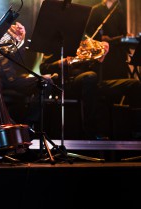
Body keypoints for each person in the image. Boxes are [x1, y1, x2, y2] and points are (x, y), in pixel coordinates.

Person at [0, 0, 52, 127]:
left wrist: (20, 40)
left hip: (12, 79)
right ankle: (2, 123)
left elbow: (19, 62)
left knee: (46, 80)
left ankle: (29, 125)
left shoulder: (7, 33)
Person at [84, 0, 141, 138]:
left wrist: (125, 36)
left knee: (128, 86)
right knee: (103, 89)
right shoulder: (96, 9)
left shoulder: (119, 9)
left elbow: (123, 32)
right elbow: (88, 32)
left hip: (117, 53)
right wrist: (100, 38)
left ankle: (131, 129)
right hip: (102, 55)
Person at [40, 40, 110, 140]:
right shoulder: (54, 43)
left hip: (88, 82)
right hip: (66, 84)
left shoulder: (84, 42)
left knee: (93, 80)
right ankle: (90, 130)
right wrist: (60, 62)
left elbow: (94, 70)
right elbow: (43, 68)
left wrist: (101, 56)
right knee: (90, 77)